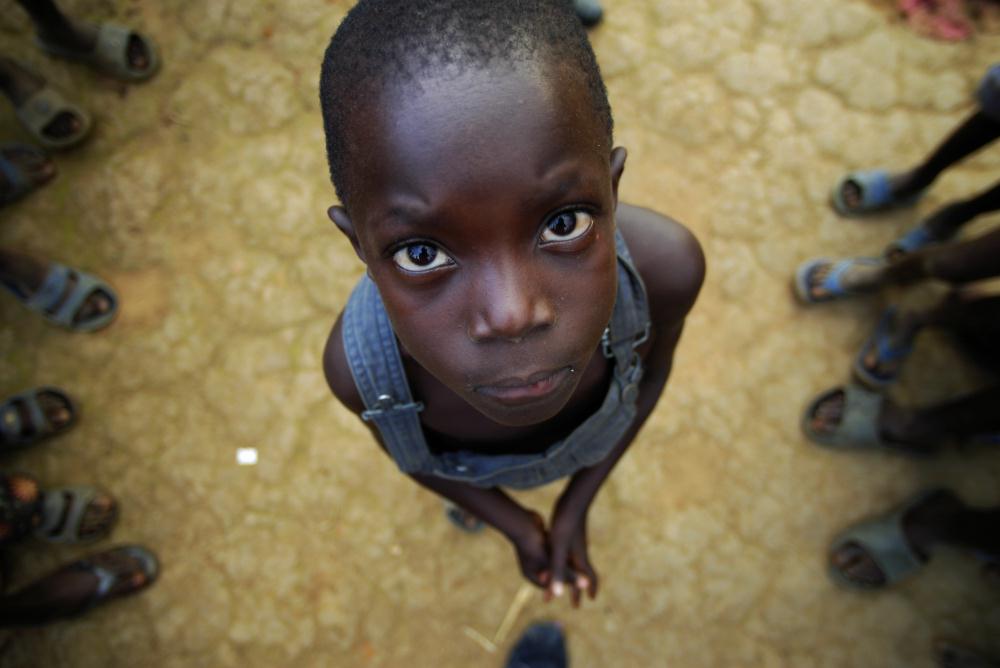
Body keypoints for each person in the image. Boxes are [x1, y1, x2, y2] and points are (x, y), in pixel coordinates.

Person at [319, 0, 704, 603]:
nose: (512, 314)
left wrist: (578, 503)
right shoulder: (359, 374)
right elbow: (415, 458)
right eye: (422, 254)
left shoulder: (665, 273)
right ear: (359, 246)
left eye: (564, 223)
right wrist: (511, 521)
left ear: (612, 186)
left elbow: (650, 376)